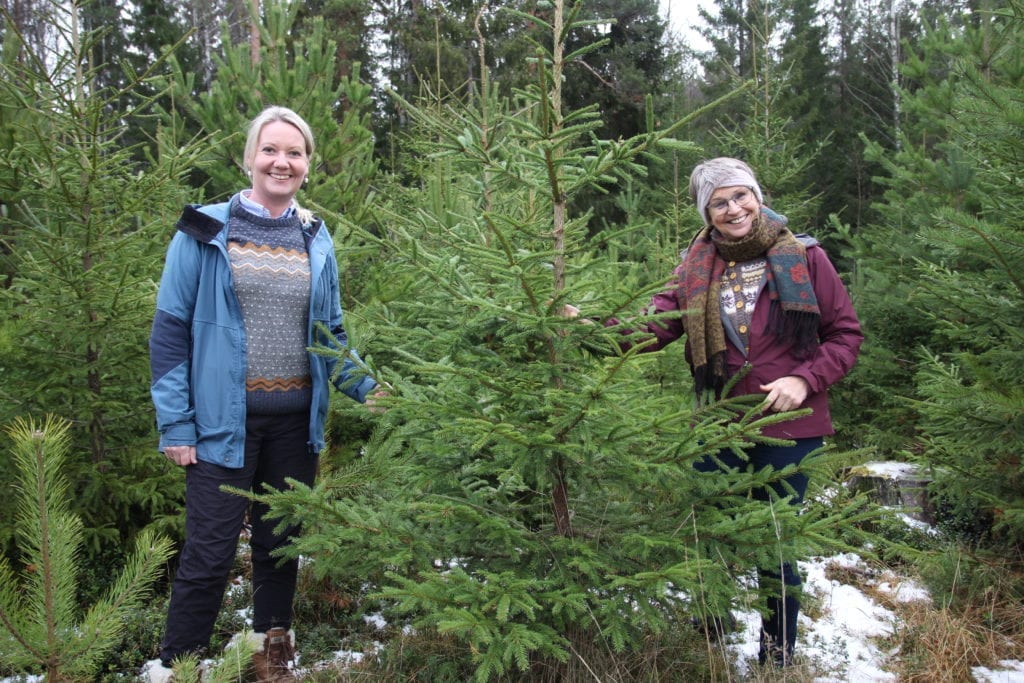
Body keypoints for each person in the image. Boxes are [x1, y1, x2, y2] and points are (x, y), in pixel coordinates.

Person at [572, 157, 862, 666]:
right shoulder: (695, 266)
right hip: (717, 424)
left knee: (775, 540)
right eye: (719, 202)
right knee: (709, 530)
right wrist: (588, 328)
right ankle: (712, 636)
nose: (734, 209)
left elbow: (845, 337)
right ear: (706, 211)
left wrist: (804, 379)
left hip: (788, 425)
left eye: (741, 196)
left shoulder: (806, 257)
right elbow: (655, 326)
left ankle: (777, 657)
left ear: (757, 194)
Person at [146, 106, 385, 682]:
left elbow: (330, 332)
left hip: (294, 426)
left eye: (295, 153)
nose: (282, 162)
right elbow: (170, 330)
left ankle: (269, 655)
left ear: (307, 165)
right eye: (271, 150)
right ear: (250, 157)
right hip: (219, 427)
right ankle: (179, 665)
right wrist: (175, 426)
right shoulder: (204, 230)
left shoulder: (314, 236)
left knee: (280, 547)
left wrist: (369, 390)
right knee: (208, 552)